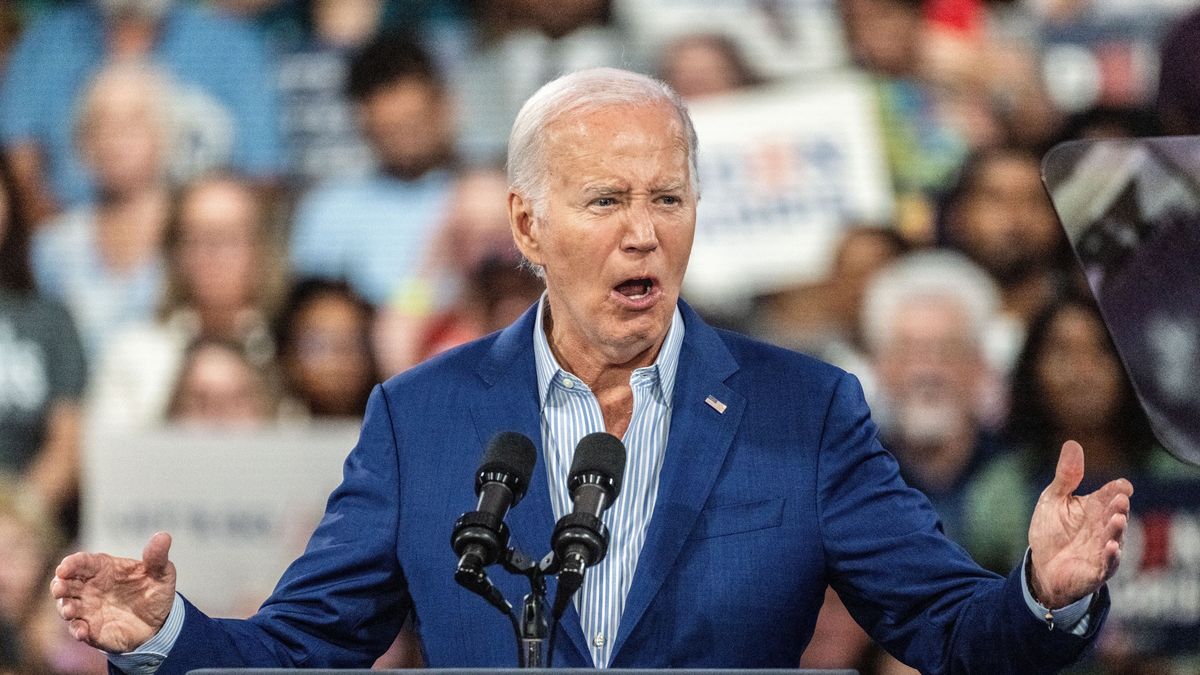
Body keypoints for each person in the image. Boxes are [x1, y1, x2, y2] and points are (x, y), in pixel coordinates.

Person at [53, 68, 1132, 674]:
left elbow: (950, 630)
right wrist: (167, 638)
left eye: (668, 199)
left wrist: (1040, 594)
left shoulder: (805, 411)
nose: (644, 234)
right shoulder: (419, 417)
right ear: (527, 222)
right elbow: (298, 652)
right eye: (607, 201)